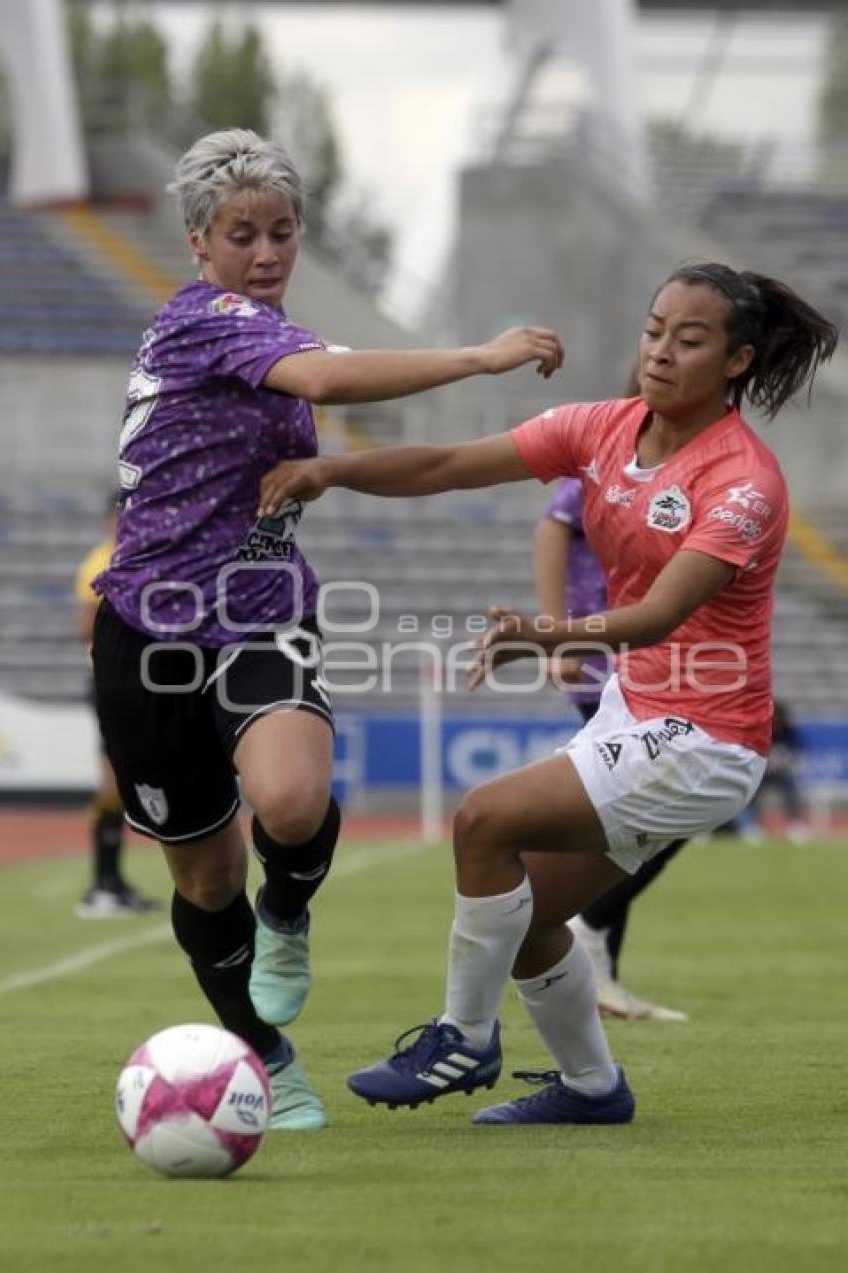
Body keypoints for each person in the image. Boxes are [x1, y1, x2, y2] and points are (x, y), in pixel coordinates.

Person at [257, 261, 836, 1125]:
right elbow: (452, 463)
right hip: (641, 713)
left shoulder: (743, 483)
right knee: (525, 916)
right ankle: (594, 1089)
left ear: (739, 361)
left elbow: (659, 613)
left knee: (486, 820)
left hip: (704, 734)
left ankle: (463, 1035)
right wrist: (333, 470)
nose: (662, 352)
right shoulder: (602, 427)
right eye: (653, 330)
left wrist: (547, 632)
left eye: (691, 339)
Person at [90, 128, 563, 1133]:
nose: (265, 254)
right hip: (149, 631)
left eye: (282, 231)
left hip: (262, 615)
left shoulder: (272, 335)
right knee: (203, 873)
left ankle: (288, 912)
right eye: (241, 234)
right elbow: (330, 383)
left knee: (293, 803)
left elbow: (338, 392)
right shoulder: (203, 320)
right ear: (198, 243)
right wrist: (480, 354)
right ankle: (266, 1058)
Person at [535, 478, 687, 1021]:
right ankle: (588, 932)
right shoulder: (618, 460)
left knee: (636, 814)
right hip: (610, 661)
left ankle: (599, 978)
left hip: (654, 661)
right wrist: (557, 635)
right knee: (668, 804)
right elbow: (553, 527)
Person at [74, 494, 160, 918]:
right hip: (112, 682)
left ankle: (112, 882)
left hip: (134, 679)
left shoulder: (136, 557)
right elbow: (85, 625)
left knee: (121, 782)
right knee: (112, 782)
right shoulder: (104, 561)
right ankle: (102, 884)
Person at [746, 699, 809, 842]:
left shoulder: (789, 732)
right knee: (751, 790)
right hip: (761, 773)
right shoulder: (759, 731)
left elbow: (798, 754)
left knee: (790, 787)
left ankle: (794, 824)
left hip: (781, 773)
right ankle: (753, 825)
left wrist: (785, 762)